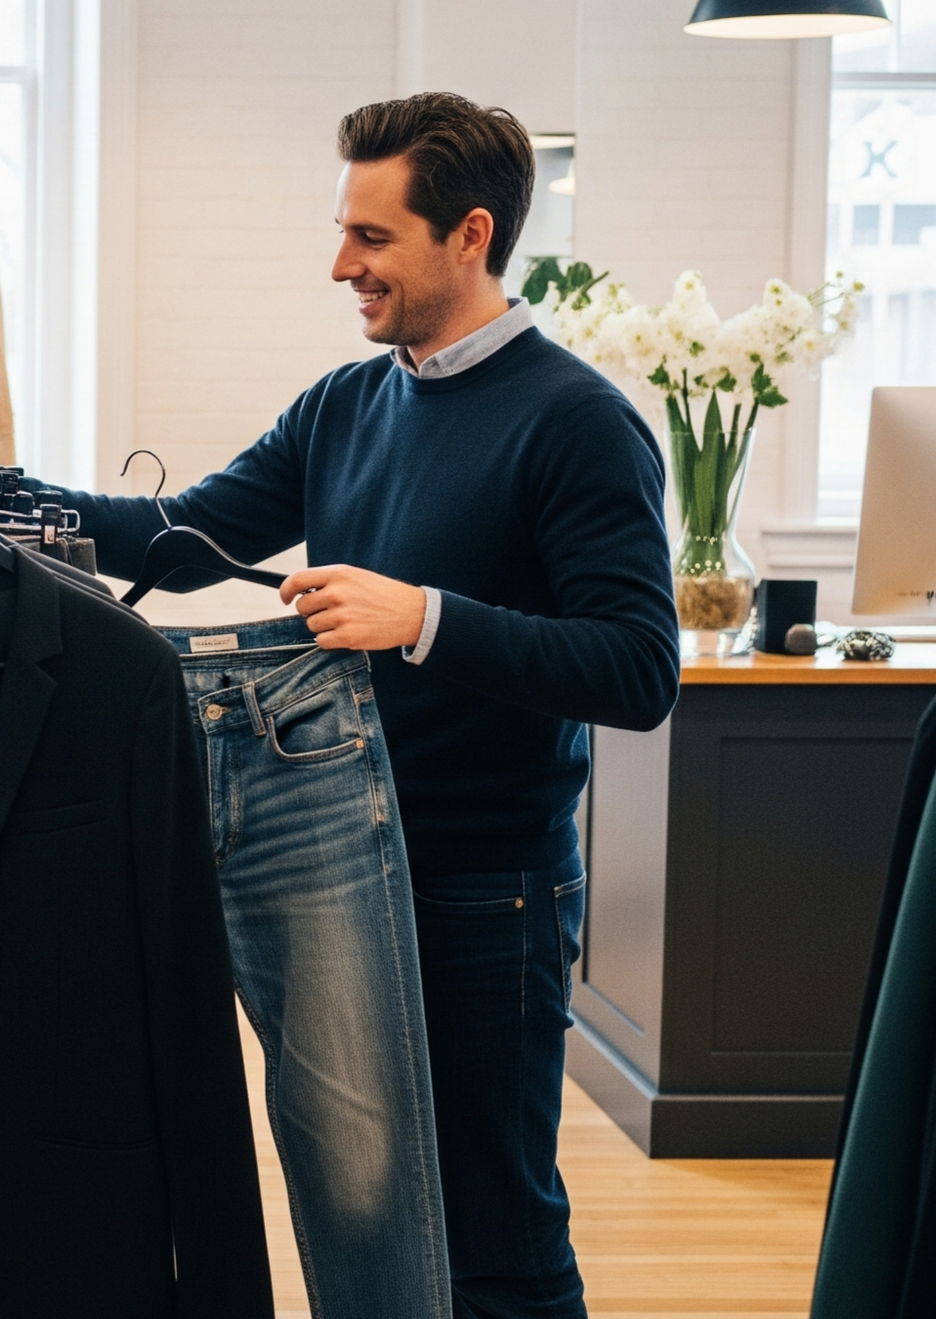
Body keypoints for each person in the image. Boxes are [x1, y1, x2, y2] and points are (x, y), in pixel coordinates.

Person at [49, 93, 680, 1318]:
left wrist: (424, 616)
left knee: (494, 1227)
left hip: (481, 885)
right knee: (380, 1217)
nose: (341, 264)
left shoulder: (579, 423)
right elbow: (182, 538)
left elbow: (636, 669)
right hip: (342, 859)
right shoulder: (348, 400)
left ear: (470, 234)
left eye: (371, 239)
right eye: (344, 231)